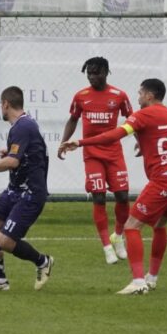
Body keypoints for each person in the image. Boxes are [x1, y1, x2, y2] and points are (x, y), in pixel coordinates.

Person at [60, 79, 167, 294]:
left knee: (131, 226)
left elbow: (115, 134)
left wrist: (81, 142)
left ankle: (138, 282)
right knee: (159, 224)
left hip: (164, 178)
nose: (138, 97)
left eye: (140, 93)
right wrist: (144, 143)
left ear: (149, 95)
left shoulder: (143, 114)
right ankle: (152, 278)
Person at [0, 86, 54, 292]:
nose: (1, 108)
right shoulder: (22, 125)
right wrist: (9, 151)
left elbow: (13, 163)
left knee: (6, 241)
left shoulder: (23, 126)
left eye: (1, 105)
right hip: (15, 190)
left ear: (6, 104)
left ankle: (43, 261)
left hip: (31, 194)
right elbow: (23, 153)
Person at [58, 57, 133, 264]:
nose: (92, 77)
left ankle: (117, 236)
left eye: (96, 73)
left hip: (114, 153)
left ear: (106, 72)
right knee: (99, 197)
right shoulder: (81, 96)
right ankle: (107, 247)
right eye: (89, 73)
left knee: (123, 196)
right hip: (92, 154)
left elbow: (133, 120)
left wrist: (141, 142)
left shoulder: (119, 96)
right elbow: (73, 120)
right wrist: (63, 142)